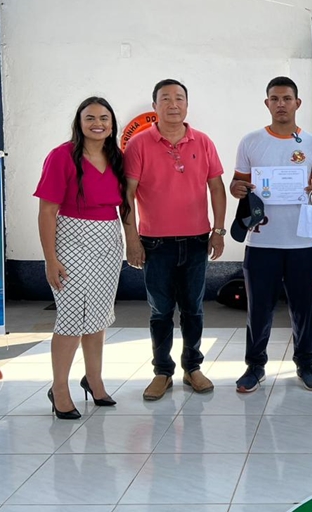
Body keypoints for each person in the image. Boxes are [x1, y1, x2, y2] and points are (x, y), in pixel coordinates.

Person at [124, 79, 227, 401]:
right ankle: (162, 371)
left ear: (187, 104)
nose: (173, 104)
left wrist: (219, 230)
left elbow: (217, 188)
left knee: (193, 309)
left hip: (197, 240)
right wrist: (132, 239)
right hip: (155, 244)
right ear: (154, 106)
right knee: (160, 312)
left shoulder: (203, 141)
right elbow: (126, 194)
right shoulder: (139, 144)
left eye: (179, 98)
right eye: (165, 99)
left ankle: (192, 367)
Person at [230, 76, 312, 393]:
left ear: (297, 103)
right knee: (259, 308)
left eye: (287, 98)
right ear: (267, 103)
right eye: (274, 99)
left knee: (303, 308)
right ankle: (255, 366)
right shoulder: (251, 142)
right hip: (262, 241)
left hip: (303, 241)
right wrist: (237, 189)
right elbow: (238, 186)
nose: (281, 104)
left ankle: (306, 363)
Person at [35, 96, 127, 419]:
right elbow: (47, 211)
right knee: (72, 316)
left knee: (98, 315)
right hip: (71, 239)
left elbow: (125, 206)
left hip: (107, 241)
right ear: (79, 122)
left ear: (112, 124)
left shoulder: (117, 157)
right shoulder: (62, 156)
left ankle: (94, 379)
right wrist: (50, 259)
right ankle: (59, 387)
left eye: (104, 117)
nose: (97, 123)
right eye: (90, 118)